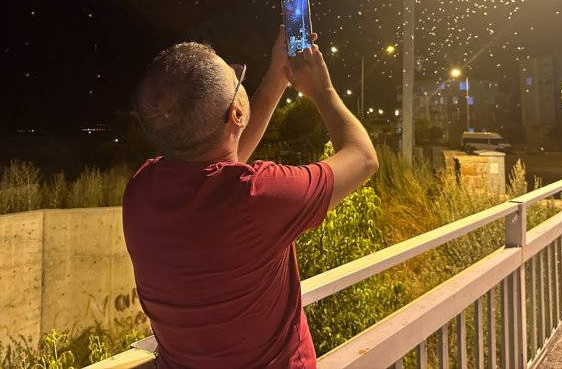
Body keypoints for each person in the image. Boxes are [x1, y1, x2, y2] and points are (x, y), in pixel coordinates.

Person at [123, 26, 378, 369]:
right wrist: (323, 91)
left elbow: (219, 158)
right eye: (235, 79)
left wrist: (277, 77)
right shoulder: (258, 195)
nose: (241, 82)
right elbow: (363, 157)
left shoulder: (141, 190)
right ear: (236, 113)